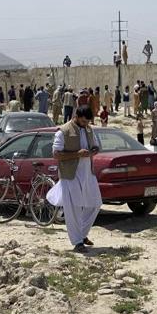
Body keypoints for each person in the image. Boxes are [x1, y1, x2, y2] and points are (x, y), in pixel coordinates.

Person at [47, 106, 102, 253]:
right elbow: (56, 154)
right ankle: (77, 242)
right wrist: (77, 154)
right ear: (76, 116)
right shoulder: (63, 131)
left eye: (87, 121)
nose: (85, 124)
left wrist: (93, 151)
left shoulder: (89, 129)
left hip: (88, 173)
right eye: (83, 121)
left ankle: (82, 234)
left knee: (95, 203)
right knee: (74, 209)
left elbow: (97, 147)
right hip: (70, 175)